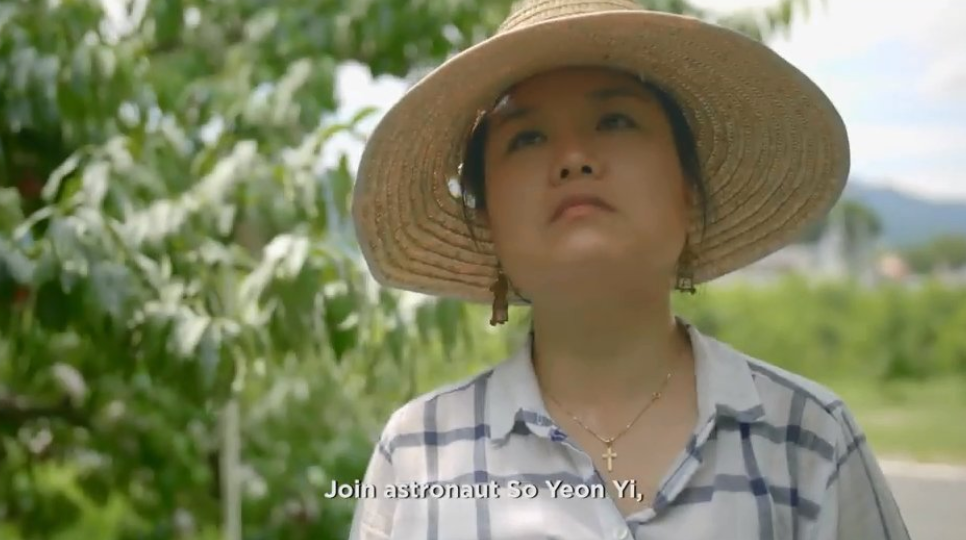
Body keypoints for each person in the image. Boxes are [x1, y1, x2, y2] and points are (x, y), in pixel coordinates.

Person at [346, 1, 911, 538]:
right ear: (488, 221)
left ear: (689, 193)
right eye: (528, 137)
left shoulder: (808, 440)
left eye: (615, 120)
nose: (573, 158)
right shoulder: (417, 456)